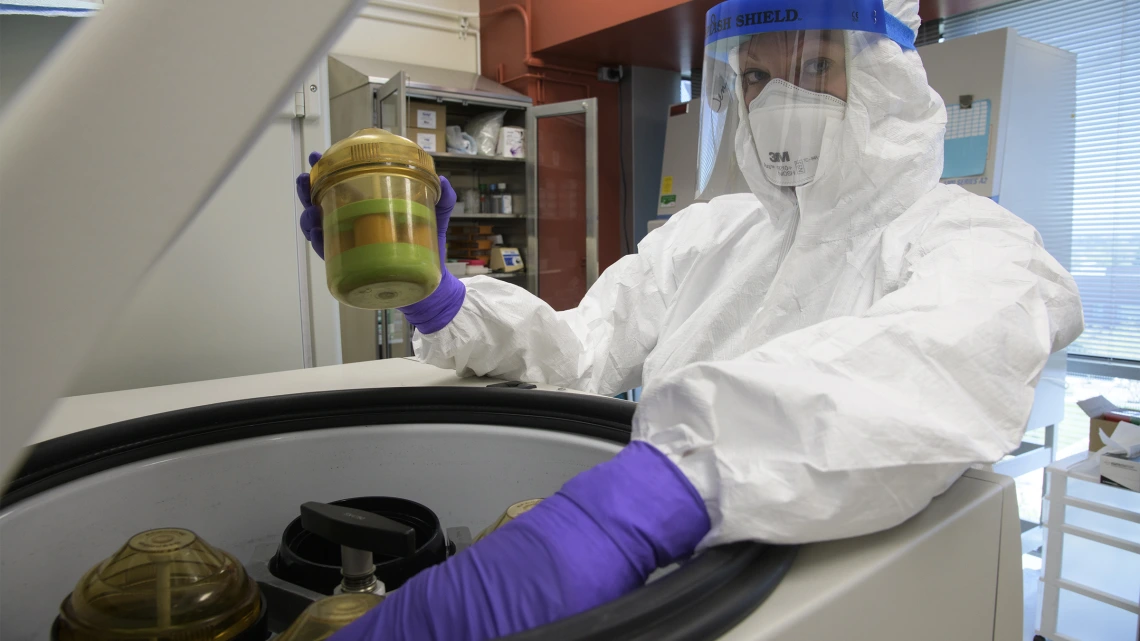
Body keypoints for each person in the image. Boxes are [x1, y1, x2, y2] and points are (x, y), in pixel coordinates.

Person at [297, 1, 1084, 638]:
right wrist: (440, 297)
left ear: (882, 78)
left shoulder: (968, 238)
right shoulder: (713, 234)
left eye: (814, 66)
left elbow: (937, 362)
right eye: (753, 78)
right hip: (676, 595)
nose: (778, 103)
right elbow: (580, 353)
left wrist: (663, 487)